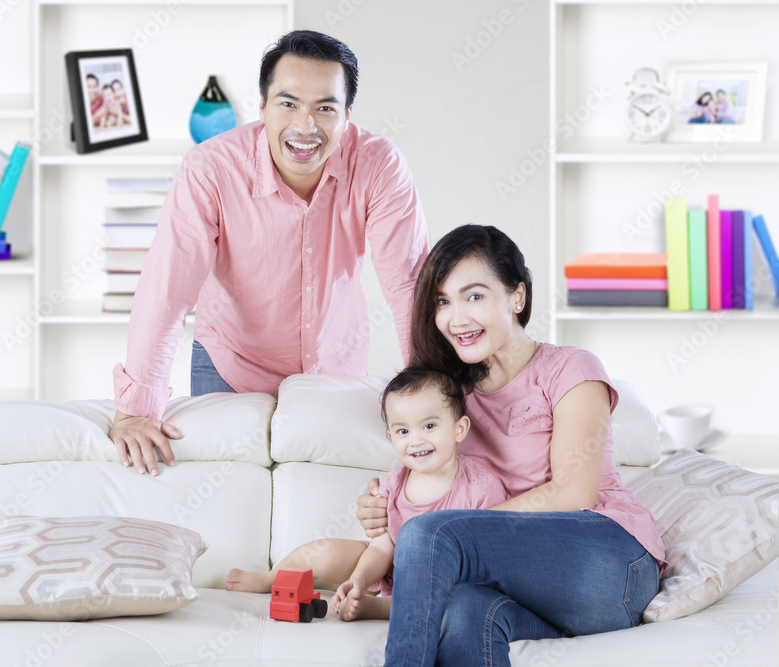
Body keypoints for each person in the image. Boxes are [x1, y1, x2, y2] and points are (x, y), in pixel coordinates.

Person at [109, 30, 429, 476]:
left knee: (321, 493)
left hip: (334, 365)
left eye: (325, 108)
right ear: (261, 106)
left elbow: (409, 285)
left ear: (347, 114)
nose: (305, 126)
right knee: (224, 493)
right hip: (231, 363)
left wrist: (434, 397)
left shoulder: (378, 165)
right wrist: (138, 407)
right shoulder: (210, 170)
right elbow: (168, 289)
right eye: (288, 103)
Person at [355, 225, 666, 666]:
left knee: (433, 532)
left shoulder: (570, 368)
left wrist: (453, 534)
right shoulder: (449, 397)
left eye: (474, 296)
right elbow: (422, 475)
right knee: (464, 611)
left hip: (611, 564)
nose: (455, 318)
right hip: (525, 587)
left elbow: (573, 493)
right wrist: (380, 506)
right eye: (443, 301)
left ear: (517, 297)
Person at [224, 366, 506, 622]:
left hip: (440, 580)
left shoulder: (480, 487)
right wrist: (358, 580)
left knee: (451, 599)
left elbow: (485, 564)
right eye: (403, 430)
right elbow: (382, 548)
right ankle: (272, 578)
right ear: (390, 437)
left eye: (430, 426)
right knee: (319, 551)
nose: (416, 440)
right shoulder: (392, 483)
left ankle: (377, 608)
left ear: (460, 429)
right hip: (386, 568)